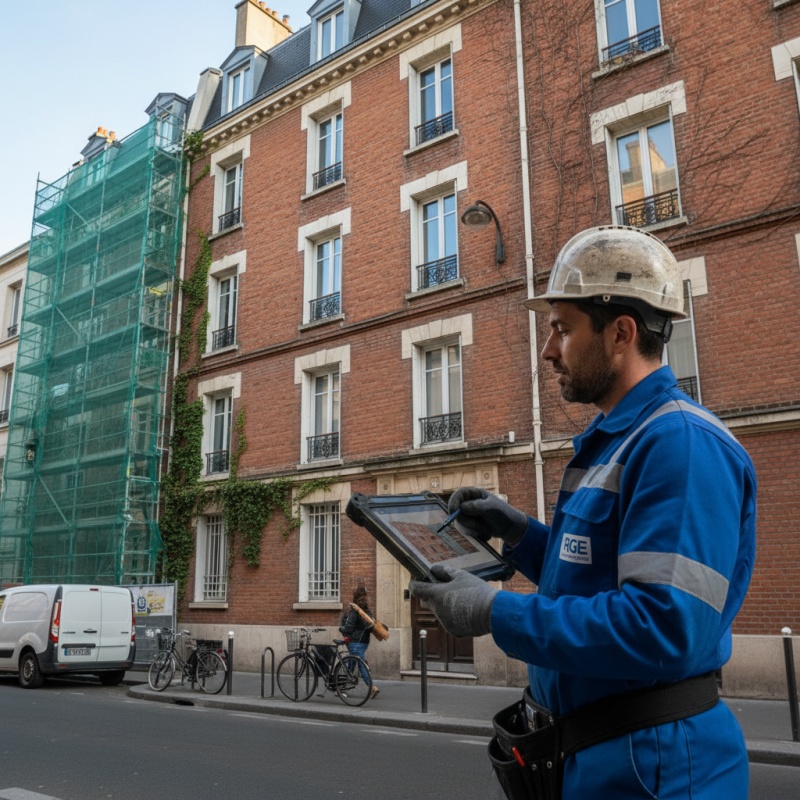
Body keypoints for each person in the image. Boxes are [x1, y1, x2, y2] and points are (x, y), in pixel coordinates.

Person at [410, 225, 757, 799]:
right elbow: (595, 574)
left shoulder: (681, 444)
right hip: (604, 760)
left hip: (656, 768)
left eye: (562, 330)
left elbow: (663, 627)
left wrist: (496, 612)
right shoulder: (617, 438)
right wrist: (520, 534)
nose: (548, 351)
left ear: (620, 332)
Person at [340, 586, 380, 699]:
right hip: (364, 642)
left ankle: (372, 688)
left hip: (354, 642)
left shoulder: (354, 612)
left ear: (355, 597)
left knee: (361, 664)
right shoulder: (368, 611)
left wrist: (341, 629)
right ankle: (342, 686)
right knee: (352, 663)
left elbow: (348, 629)